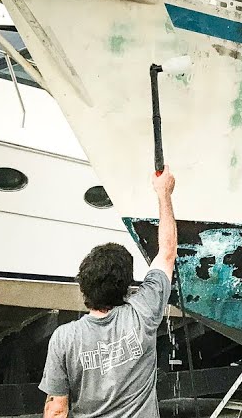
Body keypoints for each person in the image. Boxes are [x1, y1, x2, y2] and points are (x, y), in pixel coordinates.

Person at [40, 167, 178, 418]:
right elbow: (167, 253)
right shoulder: (142, 311)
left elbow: (57, 409)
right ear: (126, 288)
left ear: (84, 287)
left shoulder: (64, 338)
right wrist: (164, 193)